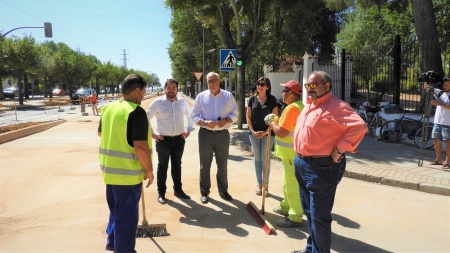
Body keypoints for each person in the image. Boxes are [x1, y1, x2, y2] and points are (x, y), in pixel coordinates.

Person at [292, 71, 367, 253]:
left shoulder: (337, 106)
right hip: (302, 164)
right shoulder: (310, 105)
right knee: (309, 213)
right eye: (307, 86)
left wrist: (339, 149)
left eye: (314, 85)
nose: (309, 89)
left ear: (327, 86)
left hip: (321, 167)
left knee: (319, 216)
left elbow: (359, 126)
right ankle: (311, 249)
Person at [98, 74, 154, 253]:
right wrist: (149, 170)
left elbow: (101, 133)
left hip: (109, 173)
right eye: (143, 91)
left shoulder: (108, 108)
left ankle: (112, 241)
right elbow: (141, 147)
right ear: (137, 91)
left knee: (116, 213)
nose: (143, 95)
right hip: (127, 177)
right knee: (127, 220)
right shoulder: (136, 112)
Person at [191, 72, 239, 204]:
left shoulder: (228, 96)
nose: (211, 83)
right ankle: (204, 192)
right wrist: (205, 123)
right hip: (206, 134)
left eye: (214, 80)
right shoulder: (201, 97)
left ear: (219, 81)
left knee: (222, 164)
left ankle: (223, 191)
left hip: (222, 135)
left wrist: (227, 120)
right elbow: (194, 116)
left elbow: (235, 113)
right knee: (205, 164)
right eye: (209, 81)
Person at [146, 78, 195, 204]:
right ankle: (161, 193)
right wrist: (152, 134)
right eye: (169, 88)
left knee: (177, 165)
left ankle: (178, 190)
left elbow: (190, 116)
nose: (171, 91)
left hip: (179, 139)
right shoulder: (158, 103)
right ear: (165, 89)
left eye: (174, 88)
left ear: (177, 89)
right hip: (163, 140)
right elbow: (146, 117)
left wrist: (188, 130)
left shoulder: (183, 102)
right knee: (162, 166)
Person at [265, 80, 304, 228]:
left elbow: (281, 132)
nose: (283, 93)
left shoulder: (292, 109)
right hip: (292, 152)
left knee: (292, 184)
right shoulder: (300, 106)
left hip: (290, 153)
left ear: (292, 94)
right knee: (287, 181)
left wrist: (272, 122)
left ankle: (294, 216)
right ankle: (286, 206)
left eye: (285, 91)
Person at [246, 76, 278, 196]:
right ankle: (259, 184)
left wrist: (265, 132)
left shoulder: (272, 100)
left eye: (263, 84)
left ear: (267, 86)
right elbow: (248, 117)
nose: (260, 86)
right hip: (253, 134)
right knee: (257, 158)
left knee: (265, 159)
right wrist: (253, 131)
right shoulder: (252, 100)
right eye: (258, 84)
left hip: (268, 134)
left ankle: (266, 185)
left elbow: (275, 119)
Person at [425, 76, 450, 169]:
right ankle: (438, 160)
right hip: (437, 121)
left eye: (447, 85)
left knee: (448, 142)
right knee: (435, 140)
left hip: (447, 123)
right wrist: (427, 78)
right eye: (444, 85)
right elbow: (427, 88)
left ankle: (447, 162)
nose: (445, 87)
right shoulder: (441, 93)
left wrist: (439, 103)